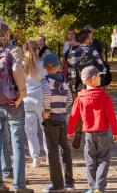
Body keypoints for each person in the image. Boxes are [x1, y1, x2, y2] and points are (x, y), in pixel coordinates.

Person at [67, 66, 117, 193]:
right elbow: (111, 115)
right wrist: (116, 131)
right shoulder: (104, 96)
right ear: (94, 78)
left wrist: (70, 131)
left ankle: (92, 188)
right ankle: (99, 188)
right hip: (102, 133)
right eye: (99, 76)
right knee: (103, 160)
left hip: (88, 134)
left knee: (90, 161)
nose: (101, 78)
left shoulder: (80, 98)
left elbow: (73, 116)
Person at [0, 19, 33, 192]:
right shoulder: (14, 50)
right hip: (13, 101)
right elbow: (16, 71)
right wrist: (22, 94)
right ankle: (19, 185)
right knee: (18, 142)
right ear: (6, 34)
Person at [67, 29, 107, 149]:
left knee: (79, 110)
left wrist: (73, 88)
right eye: (91, 37)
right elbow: (103, 67)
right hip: (92, 86)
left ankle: (78, 132)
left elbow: (71, 71)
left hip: (79, 86)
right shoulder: (92, 50)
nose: (92, 39)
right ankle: (93, 137)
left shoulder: (73, 51)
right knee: (94, 111)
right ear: (87, 39)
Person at [41, 53, 75, 193]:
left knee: (53, 151)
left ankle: (57, 185)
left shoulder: (45, 80)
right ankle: (69, 182)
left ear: (44, 67)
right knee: (65, 149)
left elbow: (47, 95)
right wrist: (62, 108)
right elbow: (69, 99)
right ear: (58, 66)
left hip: (51, 118)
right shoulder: (63, 79)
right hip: (61, 118)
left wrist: (46, 109)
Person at [22, 41, 48, 168]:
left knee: (30, 131)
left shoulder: (21, 65)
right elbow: (46, 81)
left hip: (26, 100)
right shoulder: (41, 64)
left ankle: (35, 158)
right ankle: (49, 155)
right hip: (39, 98)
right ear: (37, 50)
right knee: (45, 128)